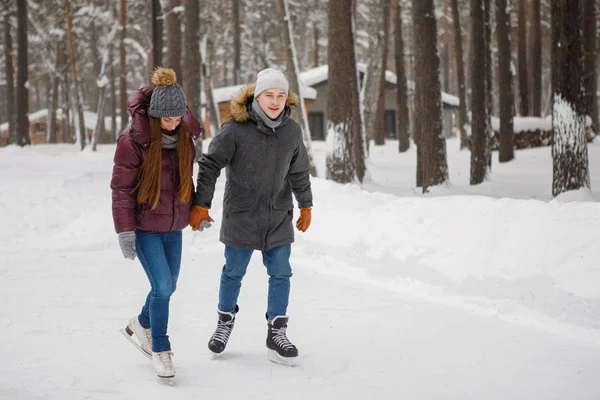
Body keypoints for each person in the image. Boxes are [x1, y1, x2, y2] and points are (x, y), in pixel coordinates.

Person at [189, 68, 313, 366]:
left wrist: (306, 205)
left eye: (281, 96)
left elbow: (298, 172)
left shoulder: (292, 132)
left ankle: (277, 331)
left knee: (281, 273)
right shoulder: (235, 128)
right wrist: (201, 204)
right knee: (233, 272)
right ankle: (224, 321)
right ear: (257, 96)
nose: (275, 101)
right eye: (269, 95)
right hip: (241, 214)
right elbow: (209, 164)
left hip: (277, 216)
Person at [110, 67, 202, 379]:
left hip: (173, 226)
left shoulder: (186, 137)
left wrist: (196, 211)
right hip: (146, 226)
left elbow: (186, 180)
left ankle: (141, 323)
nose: (174, 124)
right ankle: (161, 349)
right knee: (162, 286)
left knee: (169, 286)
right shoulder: (133, 141)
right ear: (154, 116)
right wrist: (125, 230)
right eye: (167, 120)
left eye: (178, 118)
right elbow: (121, 188)